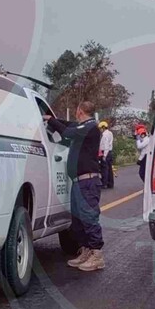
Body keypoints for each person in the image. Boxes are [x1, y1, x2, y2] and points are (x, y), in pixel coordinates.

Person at [43, 102, 105, 272]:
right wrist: (53, 119)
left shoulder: (91, 127)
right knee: (77, 220)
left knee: (89, 217)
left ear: (79, 111)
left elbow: (69, 131)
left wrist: (53, 122)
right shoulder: (84, 126)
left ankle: (97, 255)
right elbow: (70, 125)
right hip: (78, 182)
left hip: (88, 182)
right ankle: (86, 251)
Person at [99, 121, 114, 189]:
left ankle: (104, 183)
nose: (100, 130)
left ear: (103, 127)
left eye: (100, 128)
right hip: (109, 152)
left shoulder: (105, 135)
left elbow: (106, 145)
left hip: (105, 152)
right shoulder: (110, 133)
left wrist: (104, 155)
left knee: (104, 169)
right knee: (109, 169)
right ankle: (110, 183)